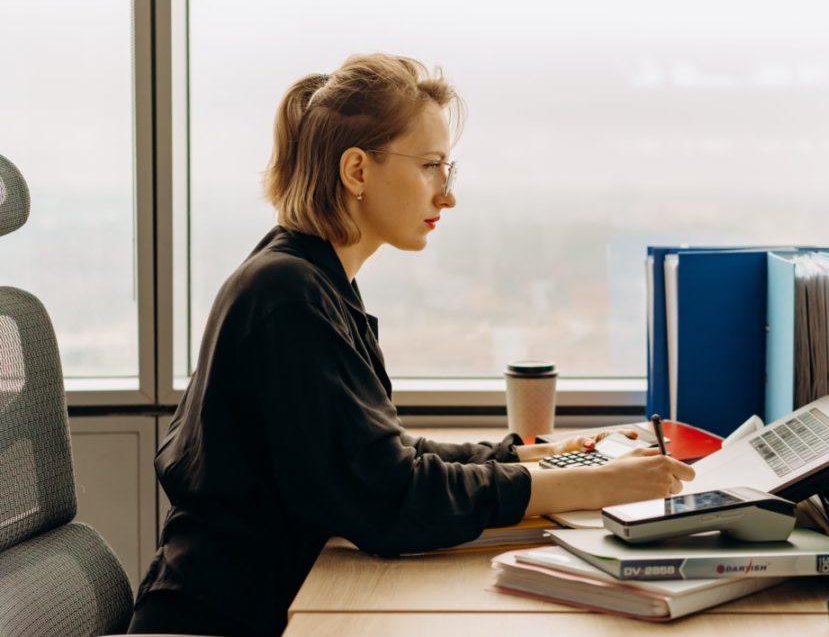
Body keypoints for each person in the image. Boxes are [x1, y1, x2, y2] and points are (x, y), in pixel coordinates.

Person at [128, 54, 694, 636]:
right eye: (430, 167)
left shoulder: (312, 281)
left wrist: (544, 453)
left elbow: (380, 456)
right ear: (356, 171)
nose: (446, 197)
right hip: (215, 622)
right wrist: (587, 484)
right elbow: (389, 499)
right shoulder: (289, 295)